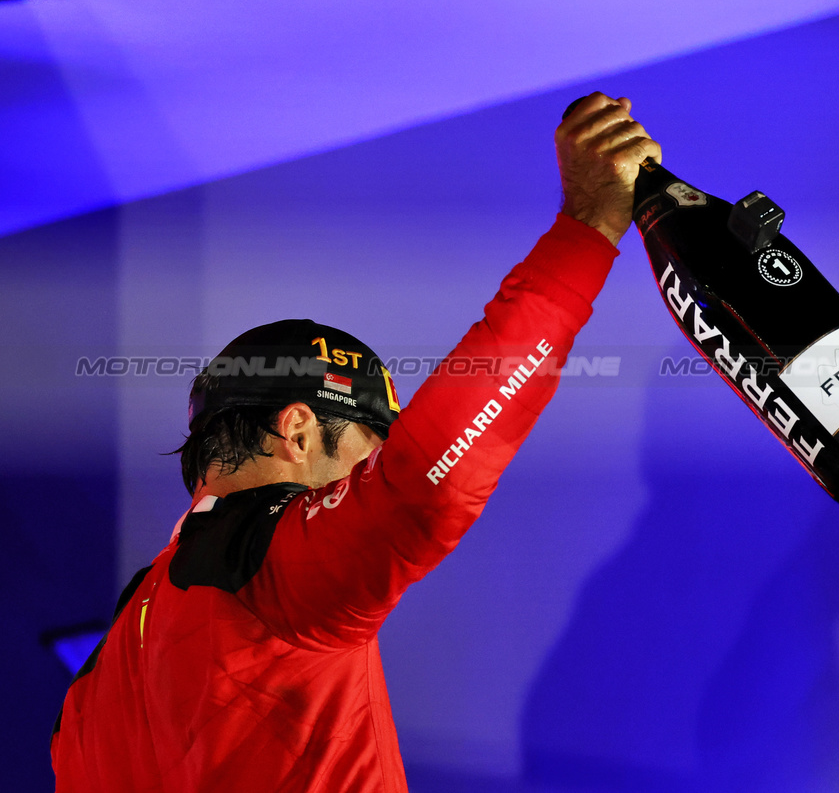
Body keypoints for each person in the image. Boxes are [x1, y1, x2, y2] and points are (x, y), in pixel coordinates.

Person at [50, 94, 661, 792]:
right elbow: (430, 484)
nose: (367, 479)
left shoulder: (92, 692)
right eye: (368, 454)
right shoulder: (270, 572)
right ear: (300, 430)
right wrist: (586, 230)